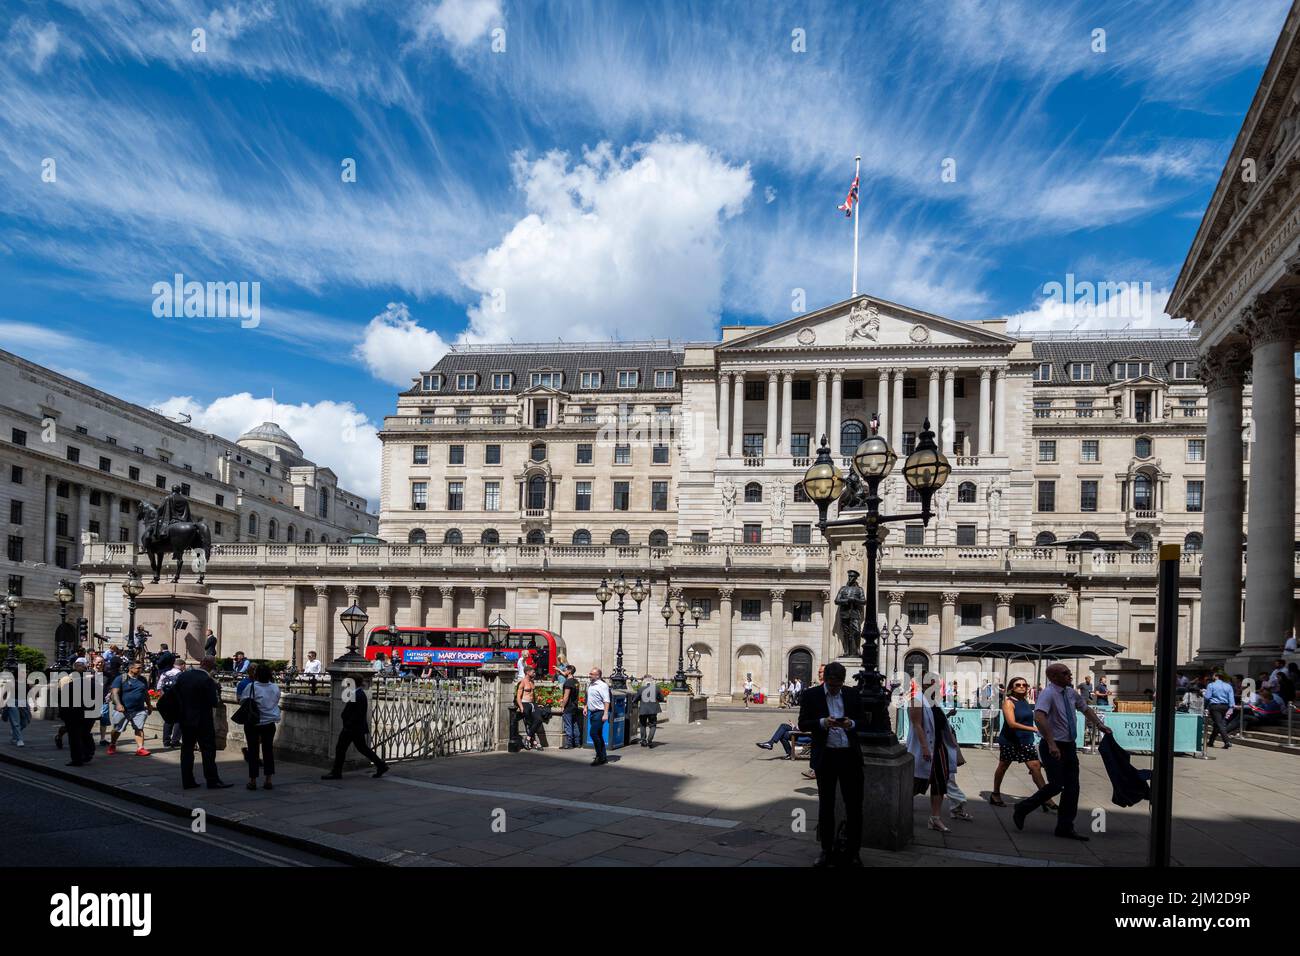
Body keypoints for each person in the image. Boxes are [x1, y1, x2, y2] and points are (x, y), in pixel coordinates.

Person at [1012, 662, 1111, 840]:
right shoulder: (1048, 694)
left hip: (1069, 745)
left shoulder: (1071, 693)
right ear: (1054, 677)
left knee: (1073, 788)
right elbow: (1039, 716)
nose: (1070, 676)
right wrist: (1051, 743)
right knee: (1057, 784)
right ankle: (1023, 808)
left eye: (1069, 673)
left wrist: (1100, 725)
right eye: (1065, 673)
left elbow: (1086, 709)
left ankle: (1065, 827)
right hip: (1053, 744)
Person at [798, 662, 863, 866]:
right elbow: (802, 723)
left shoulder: (852, 695)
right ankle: (826, 849)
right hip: (826, 757)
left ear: (843, 682)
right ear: (825, 679)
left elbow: (863, 721)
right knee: (826, 806)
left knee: (854, 806)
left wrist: (849, 724)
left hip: (849, 756)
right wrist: (821, 723)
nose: (834, 688)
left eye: (837, 685)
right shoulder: (811, 695)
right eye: (830, 684)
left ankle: (853, 852)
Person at [990, 677, 1052, 810]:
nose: (1022, 687)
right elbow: (1012, 724)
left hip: (1026, 740)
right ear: (1011, 688)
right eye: (1018, 685)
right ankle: (995, 793)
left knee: (1035, 766)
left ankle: (1045, 798)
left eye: (1024, 685)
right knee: (1003, 766)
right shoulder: (1008, 702)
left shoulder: (1025, 701)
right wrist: (1035, 729)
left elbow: (1031, 719)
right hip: (1010, 740)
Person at [907, 675, 960, 831]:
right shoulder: (917, 700)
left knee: (940, 783)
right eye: (930, 683)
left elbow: (938, 722)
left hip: (939, 747)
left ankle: (935, 818)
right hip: (926, 748)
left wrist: (952, 742)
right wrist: (924, 748)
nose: (933, 685)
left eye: (935, 683)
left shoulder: (933, 702)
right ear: (922, 684)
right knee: (917, 783)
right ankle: (897, 803)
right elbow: (917, 725)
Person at [173, 656, 232, 789]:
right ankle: (212, 780)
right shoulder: (207, 680)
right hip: (203, 721)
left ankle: (187, 781)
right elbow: (214, 702)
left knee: (187, 750)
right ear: (211, 667)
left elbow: (176, 695)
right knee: (208, 751)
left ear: (201, 663)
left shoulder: (184, 676)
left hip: (186, 719)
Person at [322, 680, 389, 779]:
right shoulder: (357, 694)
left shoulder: (358, 695)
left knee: (340, 748)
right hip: (354, 727)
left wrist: (348, 724)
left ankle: (336, 772)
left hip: (352, 728)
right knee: (362, 748)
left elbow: (357, 713)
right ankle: (381, 765)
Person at [239, 663, 282, 790]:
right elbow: (276, 700)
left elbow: (243, 701)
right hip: (269, 722)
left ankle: (252, 780)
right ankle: (268, 779)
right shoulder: (275, 687)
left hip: (253, 722)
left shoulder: (251, 686)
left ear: (256, 674)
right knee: (268, 751)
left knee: (253, 751)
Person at [108, 661, 152, 757]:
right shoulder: (121, 678)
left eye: (141, 667)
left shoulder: (142, 679)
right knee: (117, 729)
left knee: (139, 728)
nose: (141, 669)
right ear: (131, 668)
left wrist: (149, 705)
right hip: (123, 709)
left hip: (139, 709)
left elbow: (145, 693)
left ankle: (140, 748)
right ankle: (112, 744)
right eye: (138, 668)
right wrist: (119, 704)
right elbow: (115, 693)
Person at [58, 659, 97, 767]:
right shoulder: (94, 685)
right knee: (86, 734)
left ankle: (77, 759)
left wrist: (63, 716)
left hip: (73, 717)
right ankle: (89, 752)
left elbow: (63, 705)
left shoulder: (68, 687)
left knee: (74, 738)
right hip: (89, 716)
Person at [156, 657, 186, 747]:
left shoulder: (164, 673)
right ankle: (175, 740)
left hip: (166, 699)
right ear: (183, 665)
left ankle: (166, 741)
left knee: (168, 720)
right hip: (177, 700)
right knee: (179, 720)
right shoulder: (182, 675)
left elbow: (159, 687)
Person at [1203, 671, 1236, 749]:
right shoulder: (1228, 686)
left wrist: (1203, 694)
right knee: (1217, 725)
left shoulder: (1211, 685)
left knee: (1219, 724)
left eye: (1213, 675)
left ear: (1216, 676)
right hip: (1225, 706)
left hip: (1215, 706)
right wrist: (1231, 708)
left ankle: (1227, 741)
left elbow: (1207, 697)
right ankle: (1211, 741)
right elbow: (1231, 699)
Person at [586, 668, 611, 766]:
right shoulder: (591, 684)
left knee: (593, 733)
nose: (589, 675)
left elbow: (606, 700)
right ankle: (603, 756)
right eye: (590, 673)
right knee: (598, 735)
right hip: (592, 712)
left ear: (598, 675)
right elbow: (589, 696)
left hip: (599, 712)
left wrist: (605, 713)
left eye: (592, 674)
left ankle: (599, 756)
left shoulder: (603, 685)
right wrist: (585, 706)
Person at [515, 665, 542, 750]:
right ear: (527, 672)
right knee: (529, 723)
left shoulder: (532, 682)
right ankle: (534, 742)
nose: (534, 673)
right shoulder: (522, 682)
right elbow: (518, 696)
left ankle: (528, 738)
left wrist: (537, 703)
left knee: (539, 719)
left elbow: (533, 694)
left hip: (532, 703)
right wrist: (521, 707)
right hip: (525, 703)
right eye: (533, 672)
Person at [638, 675, 665, 747]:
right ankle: (650, 740)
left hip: (643, 710)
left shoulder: (641, 689)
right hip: (653, 710)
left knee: (642, 724)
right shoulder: (657, 688)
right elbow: (662, 699)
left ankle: (643, 741)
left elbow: (635, 699)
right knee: (653, 725)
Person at [559, 665, 582, 749]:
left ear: (569, 671)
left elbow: (566, 696)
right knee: (574, 724)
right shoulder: (576, 682)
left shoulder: (568, 682)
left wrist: (562, 706)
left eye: (565, 669)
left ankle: (569, 743)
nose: (564, 671)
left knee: (568, 725)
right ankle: (577, 742)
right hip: (574, 706)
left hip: (568, 706)